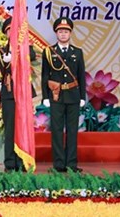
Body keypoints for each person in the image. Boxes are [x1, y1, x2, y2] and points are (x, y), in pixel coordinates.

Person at [0, 17, 36, 172]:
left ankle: (23, 161)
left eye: (14, 30)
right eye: (9, 30)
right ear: (6, 33)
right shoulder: (0, 52)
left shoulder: (27, 49)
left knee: (23, 127)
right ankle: (10, 163)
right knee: (10, 130)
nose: (12, 33)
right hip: (8, 93)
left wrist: (15, 55)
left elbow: (32, 56)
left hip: (24, 93)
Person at [41, 17, 86, 173]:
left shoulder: (77, 52)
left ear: (70, 33)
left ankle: (71, 164)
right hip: (56, 96)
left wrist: (82, 97)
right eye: (60, 31)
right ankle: (58, 164)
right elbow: (45, 75)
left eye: (66, 31)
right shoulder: (49, 52)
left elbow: (81, 75)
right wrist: (45, 96)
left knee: (72, 131)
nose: (63, 34)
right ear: (56, 33)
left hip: (73, 95)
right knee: (57, 131)